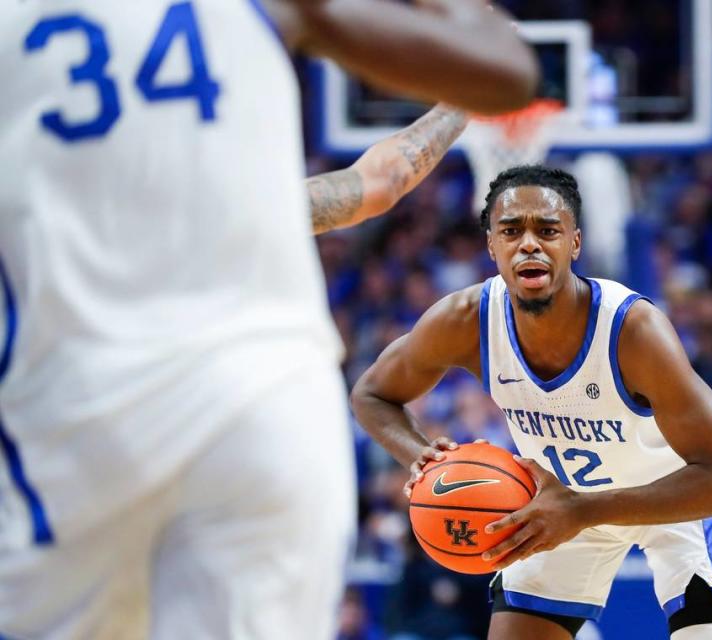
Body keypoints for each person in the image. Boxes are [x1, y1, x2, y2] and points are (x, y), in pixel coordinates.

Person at [0, 1, 538, 638]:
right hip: (263, 410)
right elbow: (404, 161)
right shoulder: (255, 43)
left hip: (80, 424)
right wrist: (459, 100)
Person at [351, 165, 712, 639]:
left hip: (673, 502)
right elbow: (371, 394)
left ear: (574, 244)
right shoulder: (465, 320)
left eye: (547, 230)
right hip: (558, 505)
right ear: (491, 246)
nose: (529, 243)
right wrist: (422, 458)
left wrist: (586, 509)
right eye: (511, 230)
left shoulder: (633, 332)